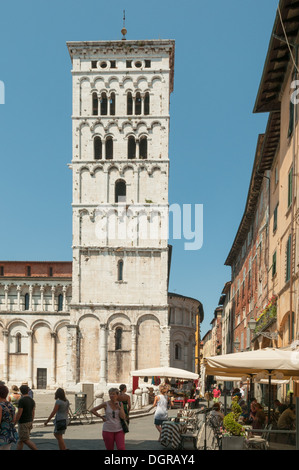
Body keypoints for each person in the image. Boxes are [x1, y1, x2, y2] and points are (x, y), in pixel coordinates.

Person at [15, 384, 37, 450]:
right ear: (28, 391)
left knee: (25, 440)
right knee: (21, 440)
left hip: (23, 422)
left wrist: (15, 421)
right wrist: (32, 420)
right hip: (29, 421)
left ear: (21, 391)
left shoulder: (21, 400)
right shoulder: (32, 400)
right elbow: (33, 411)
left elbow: (19, 412)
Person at [0, 384, 18, 450]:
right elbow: (14, 420)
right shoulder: (11, 405)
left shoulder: (0, 406)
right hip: (8, 434)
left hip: (1, 434)